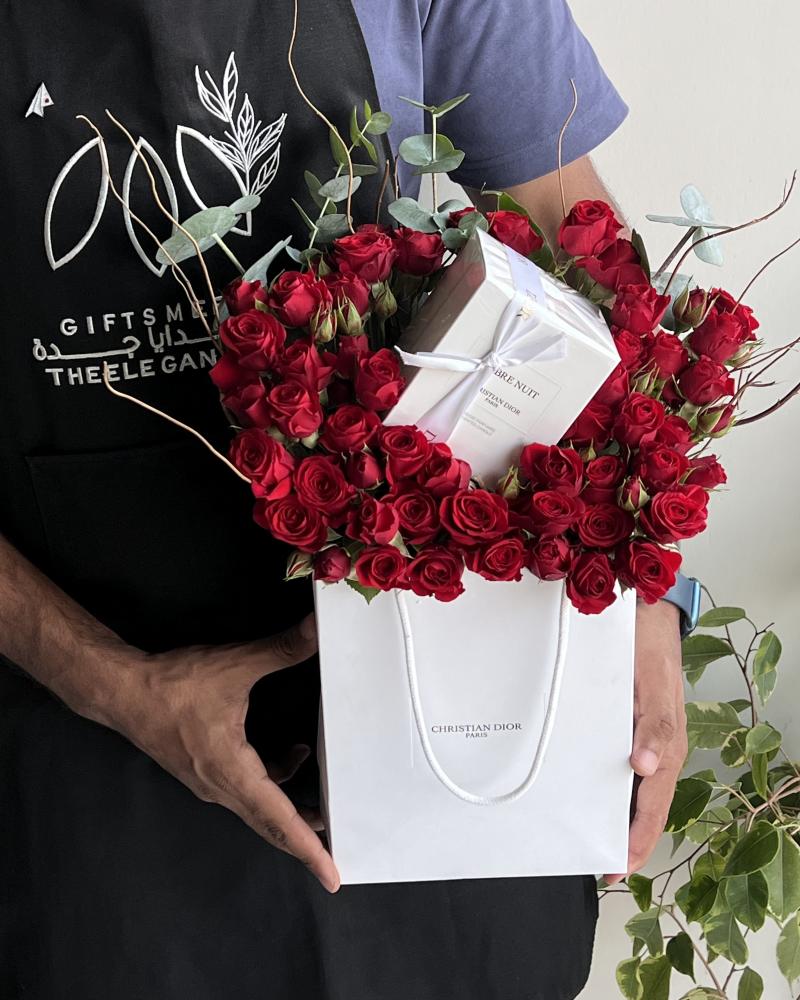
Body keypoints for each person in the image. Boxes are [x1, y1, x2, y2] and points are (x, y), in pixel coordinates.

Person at [0, 2, 688, 998]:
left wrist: (640, 588)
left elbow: (573, 245)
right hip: (79, 731)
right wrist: (111, 684)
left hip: (437, 689)